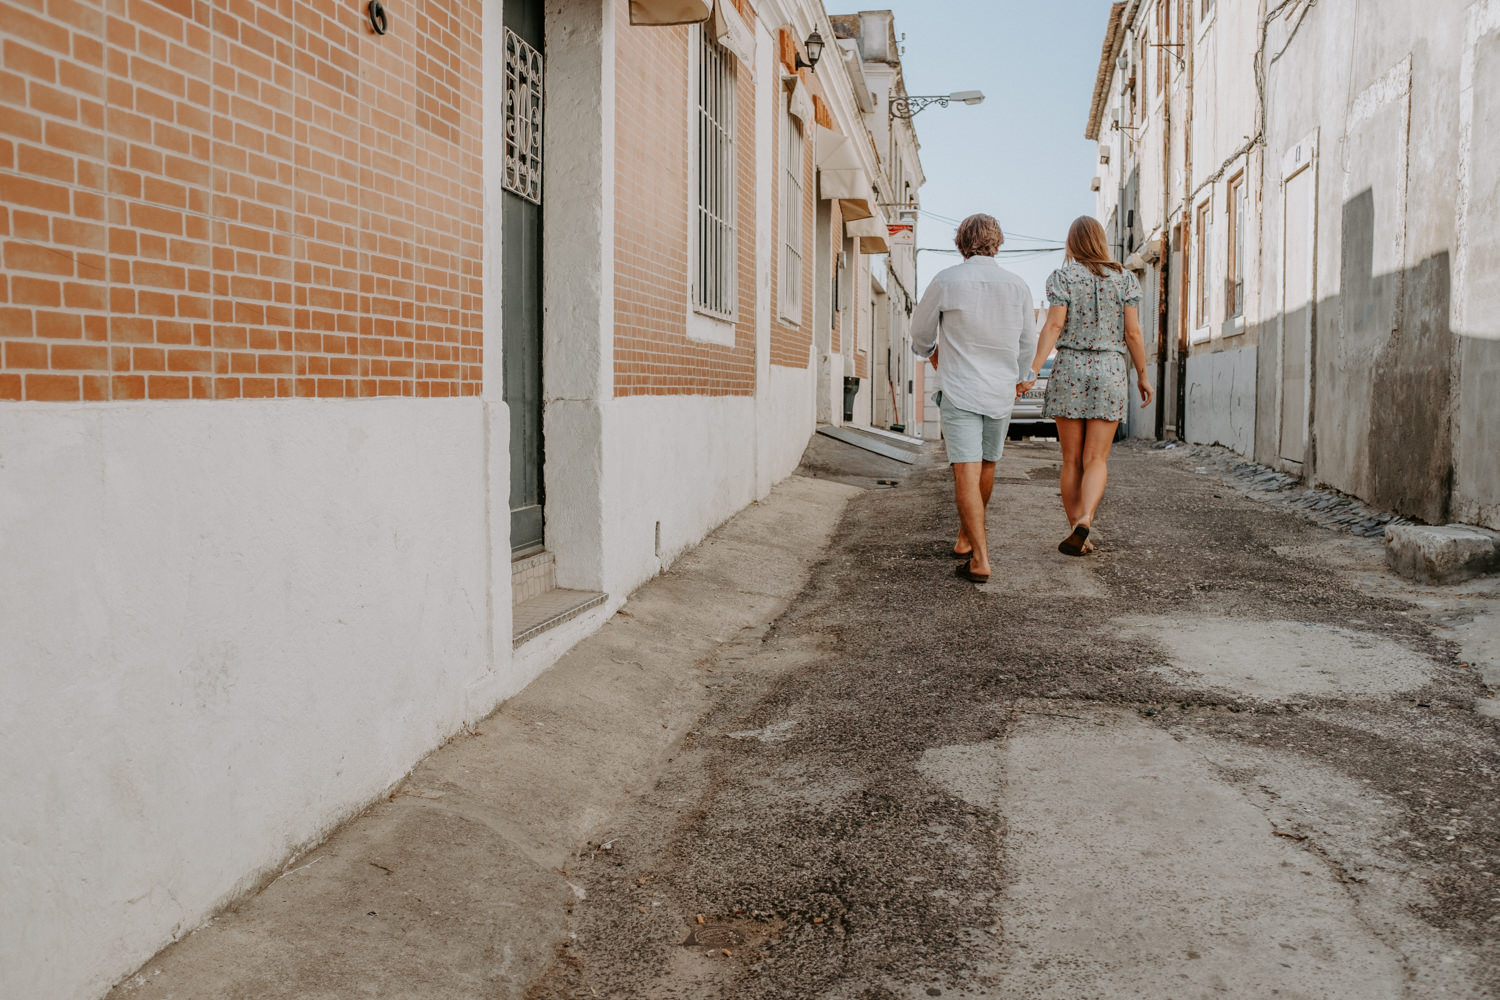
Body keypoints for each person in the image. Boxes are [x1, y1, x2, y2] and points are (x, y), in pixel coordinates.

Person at [911, 213, 1038, 583]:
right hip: (1000, 391)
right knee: (986, 467)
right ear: (998, 242)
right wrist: (1021, 377)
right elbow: (1027, 341)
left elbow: (920, 331)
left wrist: (932, 352)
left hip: (960, 388)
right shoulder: (1017, 286)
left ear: (961, 242)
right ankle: (967, 537)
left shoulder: (947, 280)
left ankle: (979, 557)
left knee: (965, 472)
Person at [1017, 216, 1154, 556]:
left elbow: (1053, 325)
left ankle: (1076, 528)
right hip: (1109, 369)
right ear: (1100, 241)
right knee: (1096, 458)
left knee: (1071, 461)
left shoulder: (1062, 278)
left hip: (1070, 370)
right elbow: (1133, 333)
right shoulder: (1125, 280)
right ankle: (1085, 520)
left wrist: (1033, 369)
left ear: (1072, 243)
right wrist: (1142, 373)